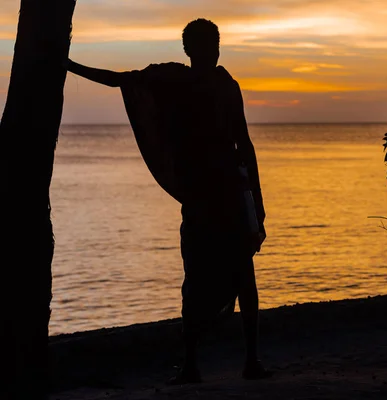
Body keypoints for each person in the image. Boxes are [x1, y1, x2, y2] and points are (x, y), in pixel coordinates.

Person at [66, 18, 270, 383]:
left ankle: (247, 361)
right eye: (207, 43)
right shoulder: (175, 80)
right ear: (191, 50)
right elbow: (121, 80)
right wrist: (69, 66)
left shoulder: (224, 86)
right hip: (203, 195)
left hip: (224, 193)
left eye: (216, 42)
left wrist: (257, 199)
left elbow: (245, 143)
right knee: (200, 276)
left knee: (239, 275)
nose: (214, 50)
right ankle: (195, 364)